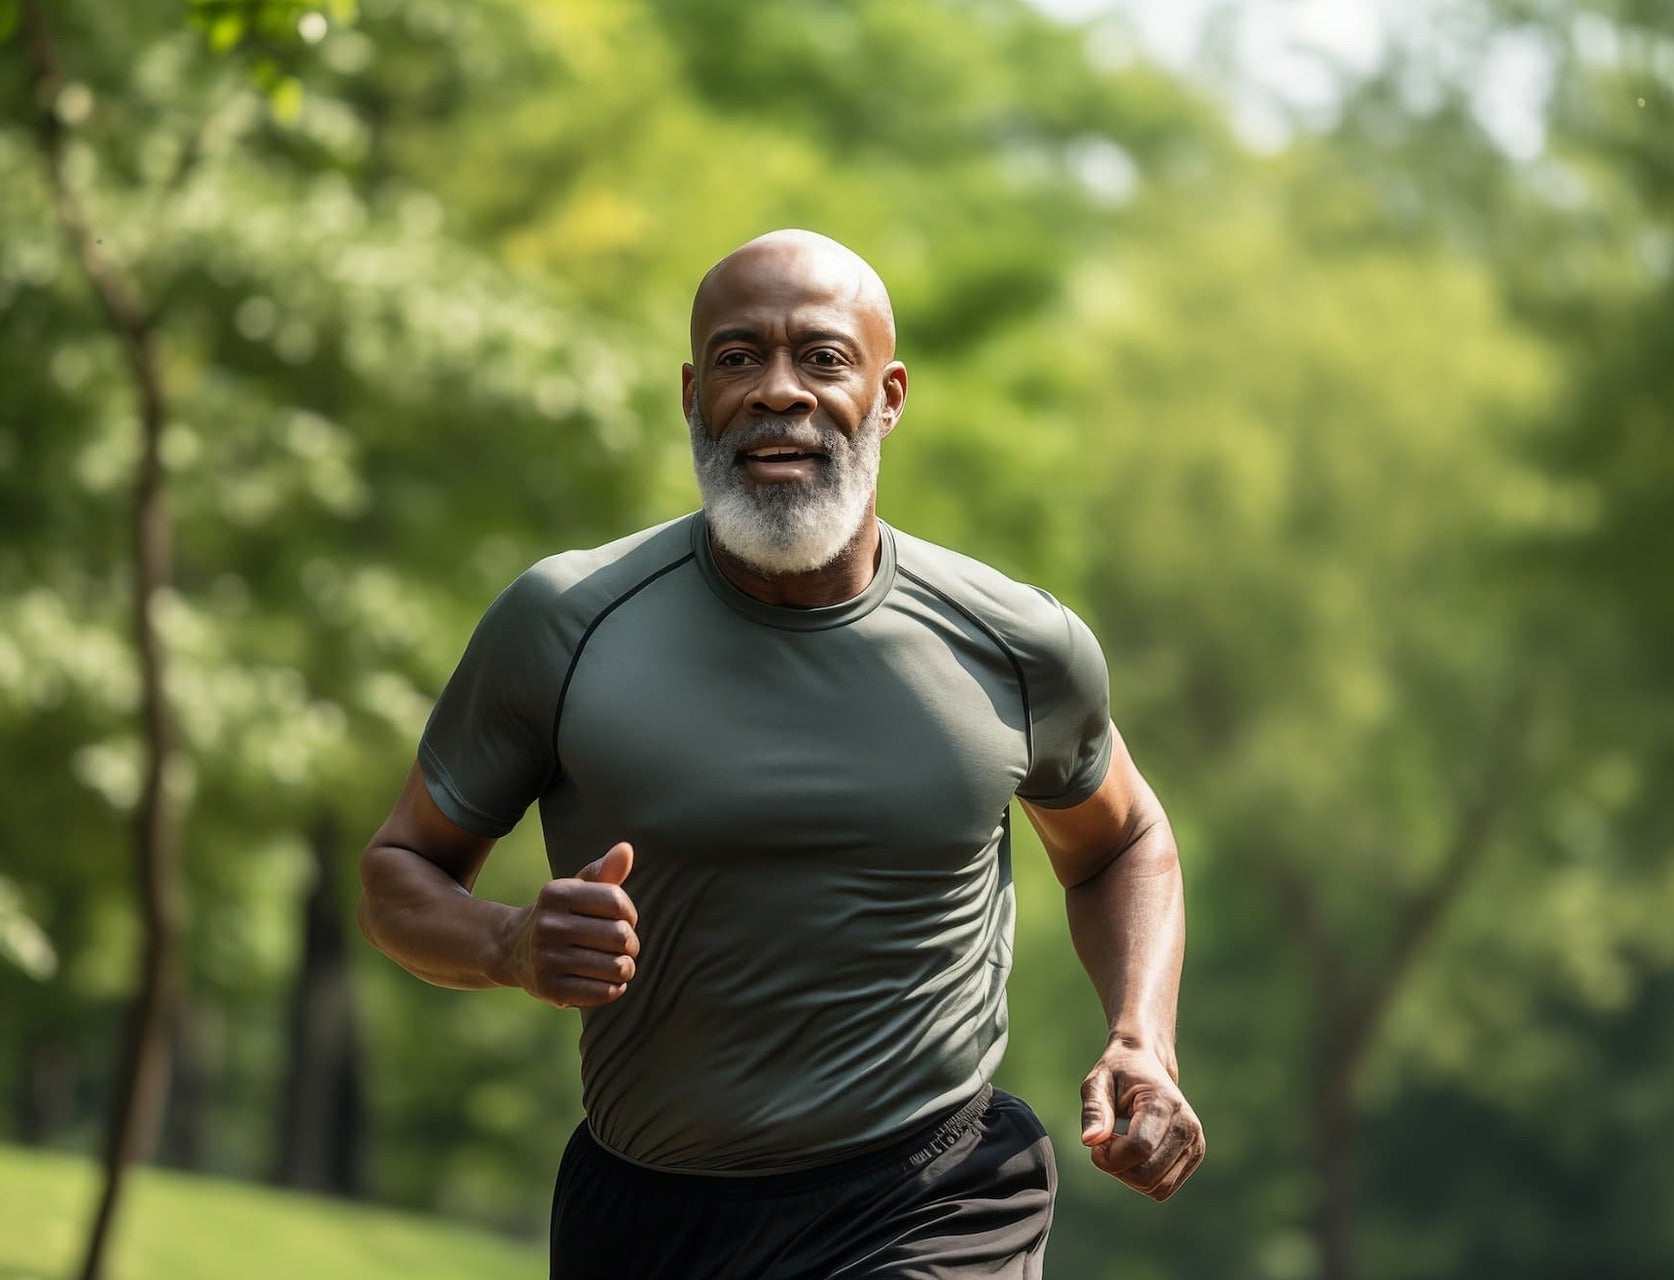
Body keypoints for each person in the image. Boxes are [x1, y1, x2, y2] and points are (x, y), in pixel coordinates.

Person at [356, 229, 1203, 1279]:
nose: (777, 391)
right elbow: (401, 872)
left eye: (824, 358)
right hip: (647, 1213)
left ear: (890, 396)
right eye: (737, 357)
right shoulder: (564, 622)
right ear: (690, 394)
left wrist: (1141, 1036)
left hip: (928, 1194)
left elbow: (1122, 840)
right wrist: (511, 944)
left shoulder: (1015, 643)